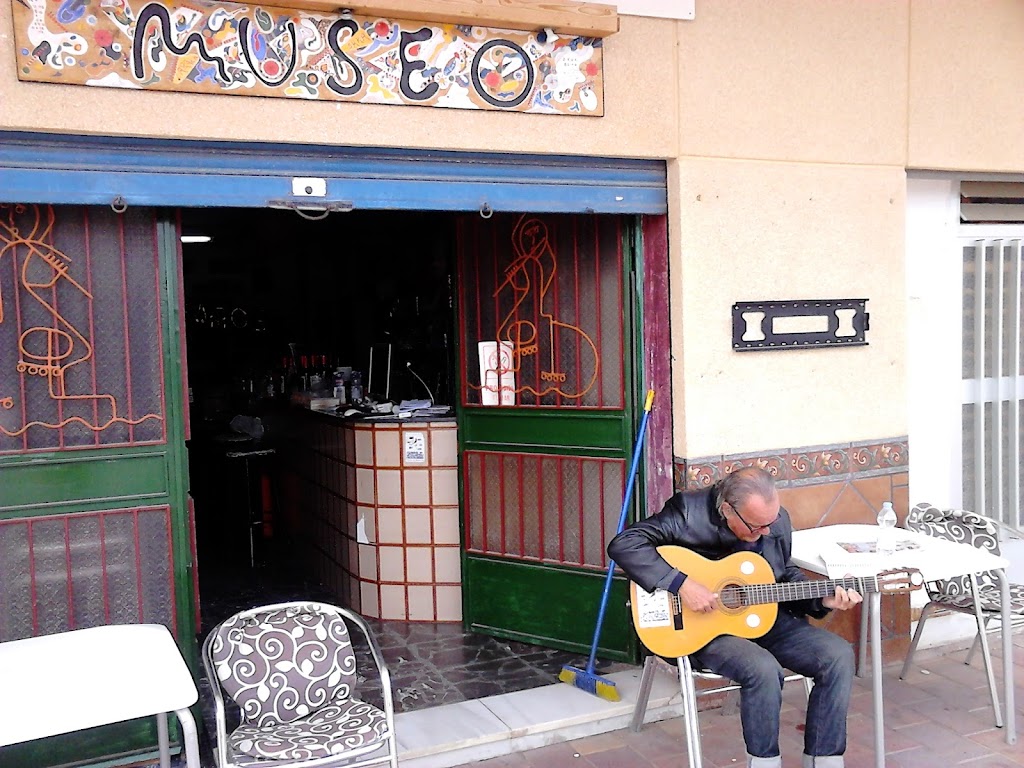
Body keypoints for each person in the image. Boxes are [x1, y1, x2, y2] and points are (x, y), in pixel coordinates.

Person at [608, 466, 861, 768]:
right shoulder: (688, 512)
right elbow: (624, 544)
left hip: (763, 618)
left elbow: (781, 575)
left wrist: (821, 598)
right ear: (727, 509)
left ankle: (824, 760)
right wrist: (682, 584)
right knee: (763, 669)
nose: (766, 532)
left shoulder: (772, 521)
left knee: (837, 655)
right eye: (755, 527)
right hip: (703, 629)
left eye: (771, 522)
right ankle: (765, 763)